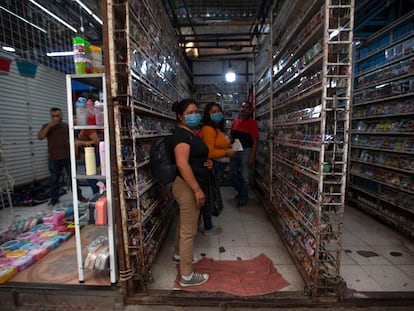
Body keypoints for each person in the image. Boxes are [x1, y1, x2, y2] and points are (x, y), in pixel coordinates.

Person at [171, 98, 212, 287]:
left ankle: (179, 255)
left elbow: (194, 158)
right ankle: (187, 276)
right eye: (190, 113)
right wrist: (196, 189)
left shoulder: (190, 133)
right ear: (180, 116)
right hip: (187, 186)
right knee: (189, 230)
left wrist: (206, 163)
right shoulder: (181, 135)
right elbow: (182, 163)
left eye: (196, 111)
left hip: (190, 183)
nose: (195, 115)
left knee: (184, 222)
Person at [199, 102, 235, 235]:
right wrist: (226, 153)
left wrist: (228, 147)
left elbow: (217, 145)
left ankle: (208, 225)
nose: (216, 114)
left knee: (211, 194)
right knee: (210, 195)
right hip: (212, 165)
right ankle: (207, 226)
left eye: (218, 111)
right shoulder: (208, 129)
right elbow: (208, 152)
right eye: (213, 112)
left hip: (217, 165)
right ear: (208, 115)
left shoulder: (216, 128)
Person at [37, 107, 84, 206]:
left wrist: (75, 154)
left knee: (73, 178)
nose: (56, 118)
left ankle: (79, 197)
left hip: (67, 156)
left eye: (57, 116)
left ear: (61, 115)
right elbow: (40, 137)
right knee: (54, 180)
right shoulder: (47, 126)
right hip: (54, 157)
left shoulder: (66, 126)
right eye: (53, 116)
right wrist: (49, 126)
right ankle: (54, 199)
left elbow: (74, 139)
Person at [229, 101, 259, 207]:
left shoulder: (252, 123)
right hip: (235, 150)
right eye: (242, 107)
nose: (244, 109)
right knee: (232, 173)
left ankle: (243, 197)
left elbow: (255, 140)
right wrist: (229, 148)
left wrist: (252, 156)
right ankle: (241, 191)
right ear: (239, 108)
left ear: (250, 111)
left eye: (247, 108)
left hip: (246, 151)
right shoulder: (235, 122)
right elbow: (231, 137)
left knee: (245, 176)